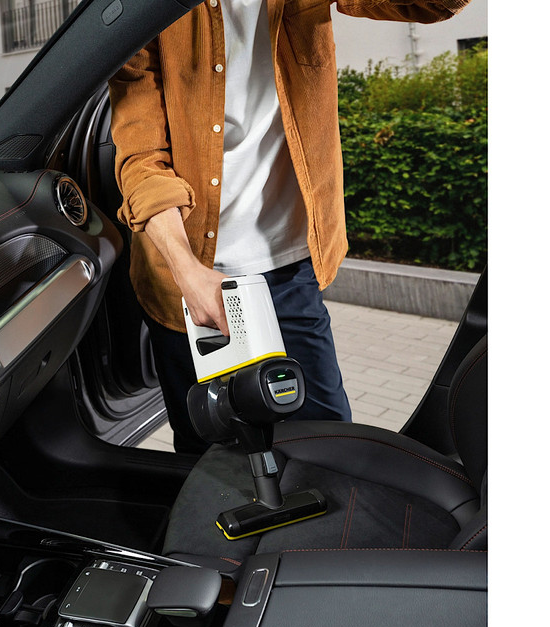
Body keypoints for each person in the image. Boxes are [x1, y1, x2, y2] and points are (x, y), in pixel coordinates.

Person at [109, 0, 469, 453]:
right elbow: (142, 161)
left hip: (290, 267)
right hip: (186, 279)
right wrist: (187, 272)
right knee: (210, 462)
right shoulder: (147, 11)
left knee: (331, 449)